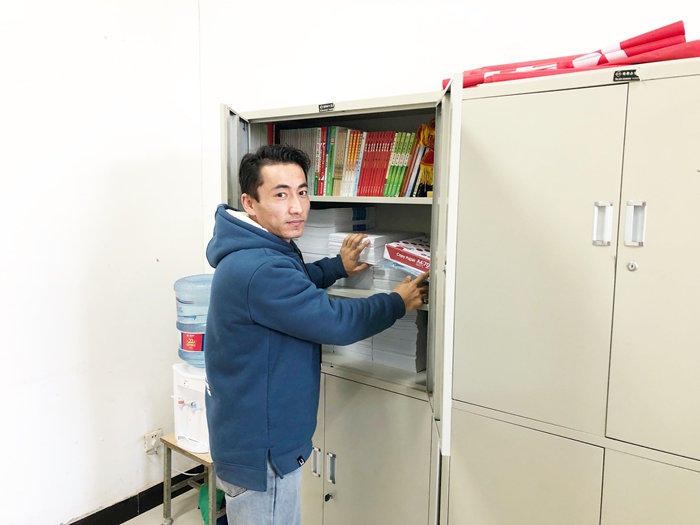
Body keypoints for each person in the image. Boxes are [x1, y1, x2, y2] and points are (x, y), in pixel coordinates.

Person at [204, 144, 428, 525]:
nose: (297, 207)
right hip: (264, 452)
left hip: (249, 436)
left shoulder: (257, 248)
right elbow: (335, 321)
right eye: (280, 195)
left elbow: (295, 283)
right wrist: (396, 301)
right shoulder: (259, 268)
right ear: (250, 203)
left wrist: (336, 266)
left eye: (302, 192)